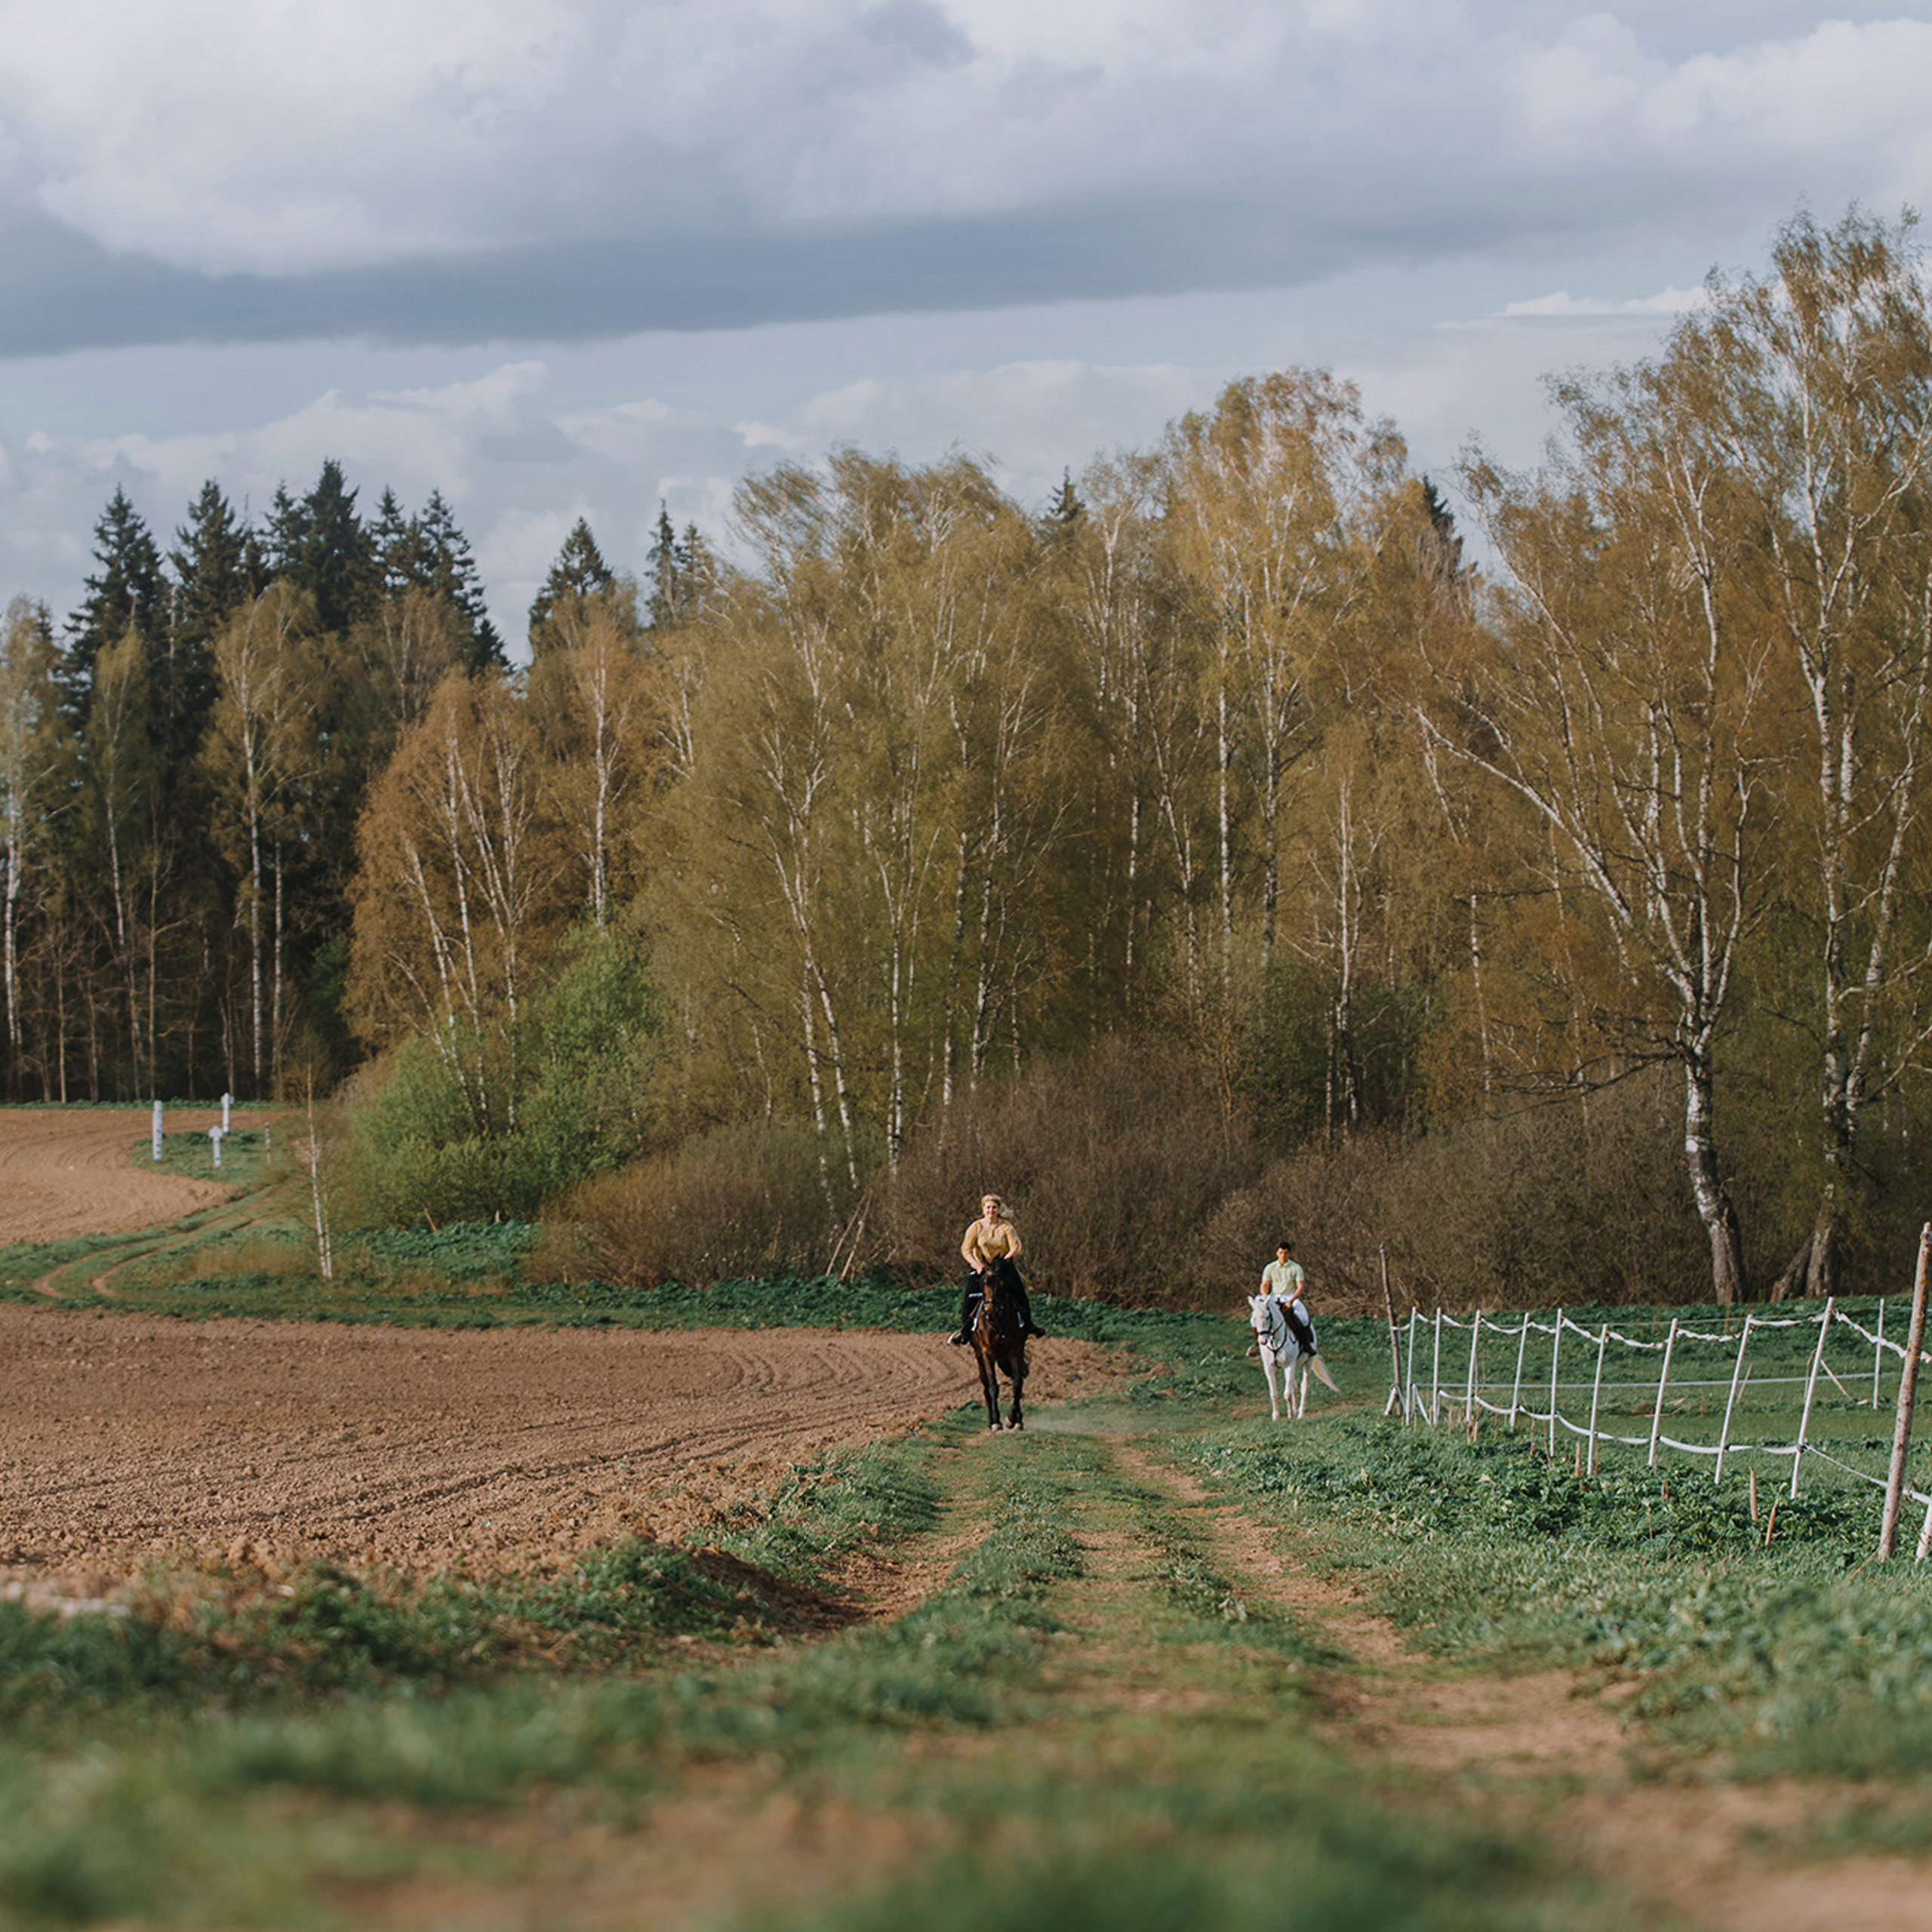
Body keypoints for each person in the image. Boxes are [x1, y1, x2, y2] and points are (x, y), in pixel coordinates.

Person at [949, 1192, 1045, 1344]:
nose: (991, 1211)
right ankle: (965, 1332)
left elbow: (1015, 1246)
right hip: (982, 1267)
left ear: (998, 1209)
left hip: (1003, 1267)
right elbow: (966, 1250)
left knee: (1020, 1294)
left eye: (994, 1208)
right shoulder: (976, 1227)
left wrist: (1005, 1260)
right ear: (983, 1209)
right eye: (988, 1208)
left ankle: (1029, 1325)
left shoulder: (1006, 1227)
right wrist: (978, 1266)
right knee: (969, 1298)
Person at [1259, 1239, 1318, 1357]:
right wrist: (1266, 1298)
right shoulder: (1270, 1268)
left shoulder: (1296, 1268)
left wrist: (1291, 1301)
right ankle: (1257, 1346)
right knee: (1258, 1317)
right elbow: (1265, 1285)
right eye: (1281, 1253)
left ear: (1289, 1254)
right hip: (1274, 1297)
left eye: (1286, 1253)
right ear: (1277, 1253)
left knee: (1304, 1317)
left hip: (1291, 1297)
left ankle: (1307, 1345)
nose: (1283, 1255)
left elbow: (1300, 1287)